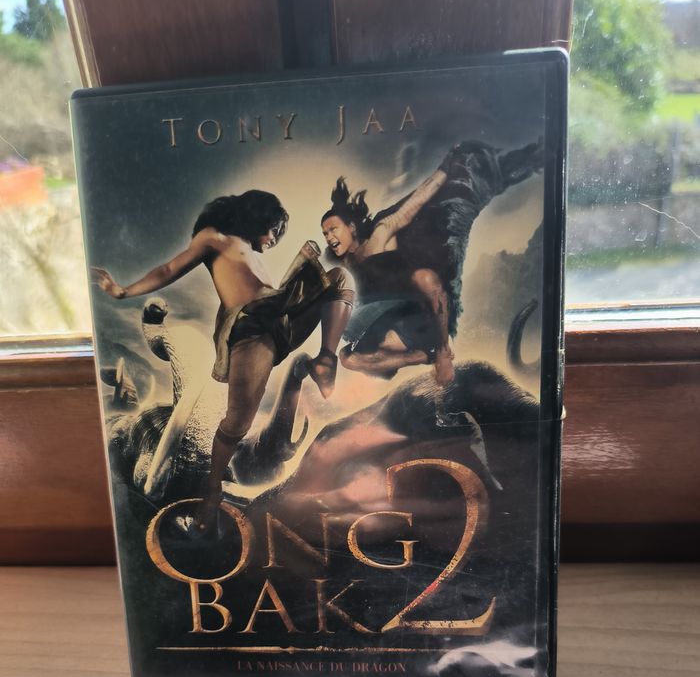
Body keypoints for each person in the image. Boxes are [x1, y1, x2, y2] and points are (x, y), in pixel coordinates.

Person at [92, 189, 355, 531]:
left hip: (280, 318)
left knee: (339, 279)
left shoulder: (255, 256)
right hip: (251, 330)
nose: (273, 239)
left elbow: (272, 294)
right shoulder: (215, 239)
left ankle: (325, 360)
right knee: (237, 424)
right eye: (274, 230)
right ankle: (212, 492)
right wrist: (123, 291)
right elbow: (169, 268)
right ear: (259, 216)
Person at [320, 139, 544, 387]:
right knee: (347, 358)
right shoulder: (345, 262)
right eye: (325, 233)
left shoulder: (379, 235)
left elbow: (413, 204)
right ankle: (424, 356)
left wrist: (446, 167)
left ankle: (440, 353)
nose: (328, 237)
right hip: (388, 320)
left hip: (419, 313)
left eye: (332, 229)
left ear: (351, 227)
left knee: (424, 280)